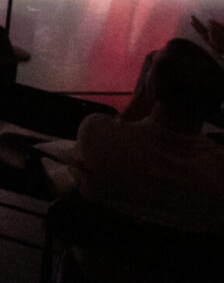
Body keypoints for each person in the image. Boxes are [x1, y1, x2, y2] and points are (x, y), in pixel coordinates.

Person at [51, 34, 224, 237]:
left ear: (151, 87)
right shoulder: (217, 171)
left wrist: (139, 102)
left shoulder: (99, 135)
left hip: (93, 267)